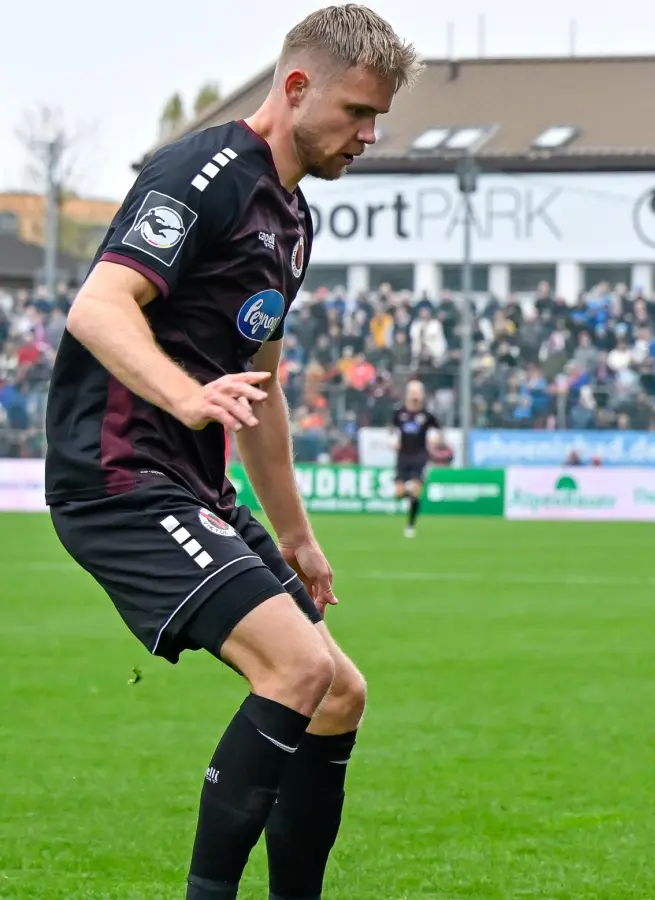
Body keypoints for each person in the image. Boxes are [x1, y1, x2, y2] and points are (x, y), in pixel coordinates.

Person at [42, 8, 420, 899]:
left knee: (338, 694)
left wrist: (297, 535)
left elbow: (263, 390)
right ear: (296, 89)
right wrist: (183, 394)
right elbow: (97, 308)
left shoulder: (291, 217)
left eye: (378, 120)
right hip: (118, 483)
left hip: (192, 487)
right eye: (359, 113)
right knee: (298, 669)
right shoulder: (200, 172)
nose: (369, 136)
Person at [392, 379, 443, 537]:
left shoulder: (427, 415)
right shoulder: (399, 413)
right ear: (407, 394)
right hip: (402, 456)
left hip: (419, 456)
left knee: (415, 490)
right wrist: (393, 440)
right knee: (399, 493)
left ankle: (410, 525)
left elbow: (438, 431)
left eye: (418, 392)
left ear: (421, 395)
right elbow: (393, 430)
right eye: (412, 392)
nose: (415, 395)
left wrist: (435, 439)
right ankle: (407, 489)